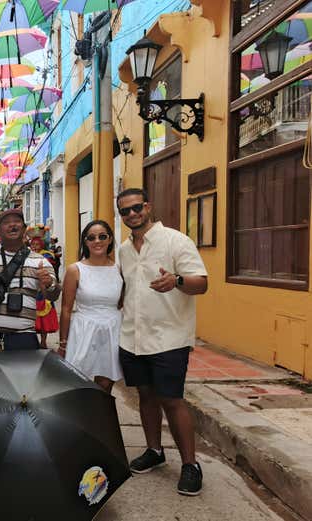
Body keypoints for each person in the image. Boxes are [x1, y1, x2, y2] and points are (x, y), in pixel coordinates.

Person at [116, 188, 208, 496]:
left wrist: (177, 281)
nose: (132, 214)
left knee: (172, 399)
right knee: (145, 396)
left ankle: (191, 465)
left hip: (169, 337)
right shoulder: (124, 250)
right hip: (133, 336)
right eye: (125, 211)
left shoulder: (176, 241)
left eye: (136, 207)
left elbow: (202, 283)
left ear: (148, 206)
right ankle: (155, 451)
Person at [0, 208, 59, 352]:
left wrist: (49, 284)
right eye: (6, 222)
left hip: (24, 337)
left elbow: (53, 295)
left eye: (17, 221)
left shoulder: (40, 261)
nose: (12, 225)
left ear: (24, 228)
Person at [58, 220, 123, 393]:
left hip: (112, 330)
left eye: (102, 236)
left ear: (109, 239)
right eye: (91, 237)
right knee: (80, 385)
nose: (97, 241)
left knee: (105, 385)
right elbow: (65, 309)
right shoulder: (75, 270)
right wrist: (63, 343)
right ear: (85, 242)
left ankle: (102, 419)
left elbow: (122, 302)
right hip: (83, 329)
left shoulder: (119, 269)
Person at [29, 236, 58, 349]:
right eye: (33, 244)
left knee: (45, 318)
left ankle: (43, 340)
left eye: (37, 244)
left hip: (44, 292)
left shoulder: (47, 256)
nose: (35, 247)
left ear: (42, 245)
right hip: (34, 291)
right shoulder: (27, 256)